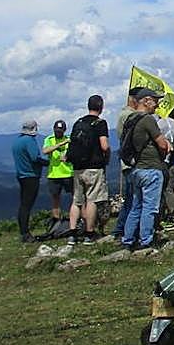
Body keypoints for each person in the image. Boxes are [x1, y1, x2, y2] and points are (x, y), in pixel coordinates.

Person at [122, 88, 171, 250]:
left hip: (136, 168)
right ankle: (146, 242)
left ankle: (128, 240)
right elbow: (162, 143)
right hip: (151, 168)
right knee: (150, 207)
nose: (157, 104)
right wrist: (165, 149)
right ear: (146, 101)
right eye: (155, 101)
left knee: (136, 206)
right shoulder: (148, 119)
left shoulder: (130, 118)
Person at [67, 94, 110, 244]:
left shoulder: (78, 122)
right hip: (94, 167)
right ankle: (89, 233)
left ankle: (72, 233)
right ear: (101, 107)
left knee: (77, 200)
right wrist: (107, 155)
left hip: (77, 167)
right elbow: (104, 145)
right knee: (92, 199)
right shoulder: (100, 123)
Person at [112, 87, 141, 241]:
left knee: (131, 198)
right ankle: (123, 230)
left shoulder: (123, 114)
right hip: (131, 161)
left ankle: (121, 228)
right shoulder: (129, 115)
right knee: (132, 198)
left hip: (125, 160)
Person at [11, 119, 46, 242]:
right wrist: (49, 163)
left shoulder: (17, 142)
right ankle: (26, 234)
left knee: (23, 205)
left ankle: (23, 231)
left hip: (21, 175)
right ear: (33, 129)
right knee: (27, 205)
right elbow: (35, 158)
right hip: (31, 176)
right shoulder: (29, 141)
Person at [41, 119, 72, 222]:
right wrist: (60, 144)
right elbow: (45, 151)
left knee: (75, 198)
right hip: (54, 174)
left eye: (60, 131)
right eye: (57, 130)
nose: (58, 132)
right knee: (55, 200)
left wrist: (68, 157)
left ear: (64, 130)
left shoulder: (69, 139)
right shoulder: (49, 139)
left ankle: (74, 219)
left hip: (68, 173)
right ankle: (56, 221)